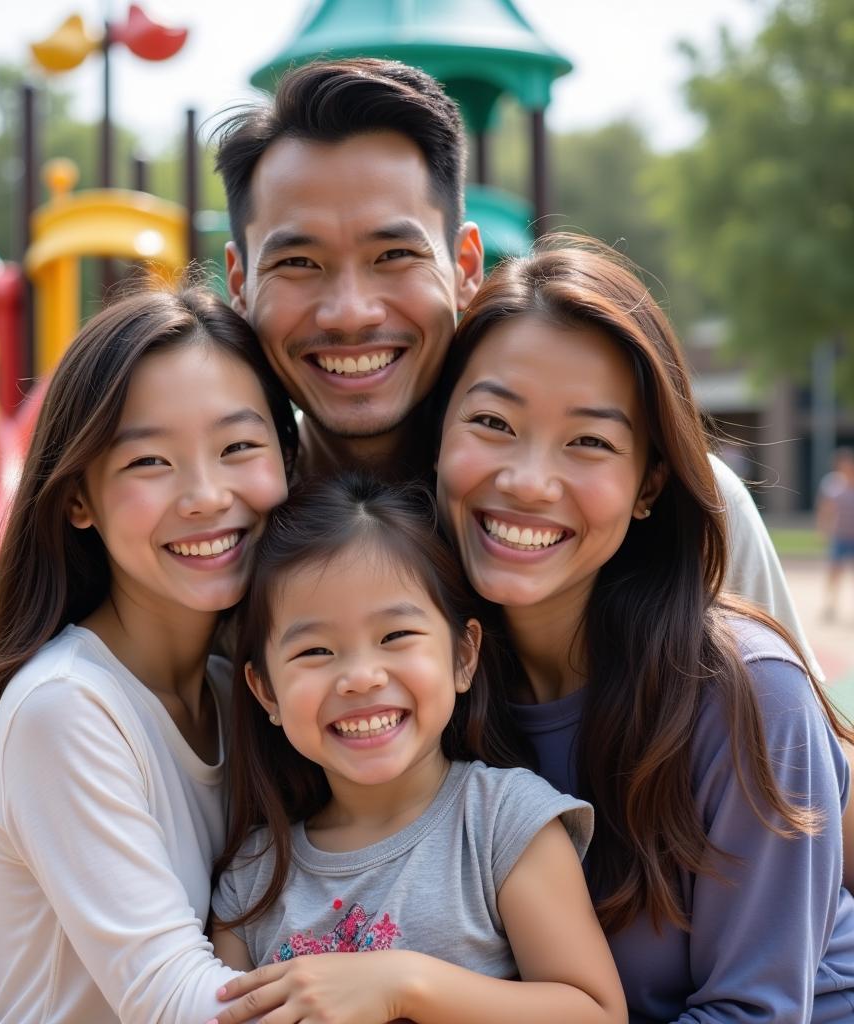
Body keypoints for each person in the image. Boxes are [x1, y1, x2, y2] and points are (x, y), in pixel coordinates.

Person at [213, 55, 823, 679]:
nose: (350, 312)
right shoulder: (220, 527)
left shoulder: (686, 515)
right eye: (298, 264)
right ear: (239, 280)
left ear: (465, 265)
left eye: (394, 254)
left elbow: (798, 752)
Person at [433, 238, 854, 1022]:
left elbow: (754, 1013)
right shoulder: (421, 685)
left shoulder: (745, 693)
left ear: (648, 484)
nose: (528, 481)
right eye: (492, 421)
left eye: (589, 441)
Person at [0, 288, 297, 1024]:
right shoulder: (67, 706)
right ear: (80, 501)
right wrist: (412, 987)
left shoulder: (246, 690)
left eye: (238, 447)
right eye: (149, 461)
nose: (204, 495)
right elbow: (182, 1005)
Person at [208, 474, 627, 1024]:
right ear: (266, 691)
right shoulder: (253, 878)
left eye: (395, 637)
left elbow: (597, 1014)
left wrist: (406, 985)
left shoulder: (503, 823)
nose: (360, 677)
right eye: (316, 649)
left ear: (462, 655)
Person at [817, 446, 854, 621]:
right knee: (834, 572)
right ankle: (830, 605)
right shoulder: (832, 484)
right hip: (840, 536)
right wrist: (823, 528)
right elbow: (826, 508)